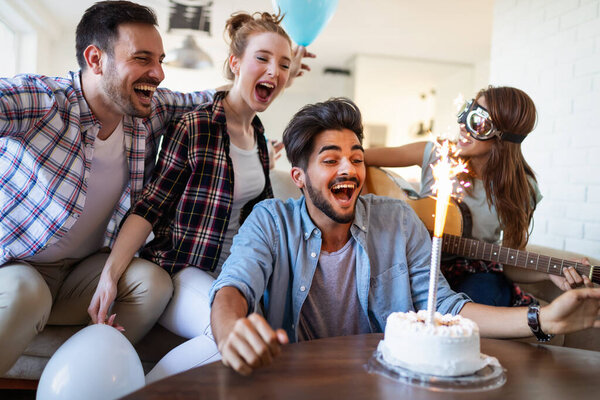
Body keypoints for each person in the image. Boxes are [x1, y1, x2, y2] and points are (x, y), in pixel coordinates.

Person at [0, 1, 310, 376]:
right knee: (25, 296)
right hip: (24, 264)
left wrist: (275, 73)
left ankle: (96, 370)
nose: (159, 73)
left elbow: (223, 101)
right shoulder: (44, 101)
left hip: (86, 267)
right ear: (95, 59)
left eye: (160, 59)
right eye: (143, 58)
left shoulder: (147, 110)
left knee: (152, 285)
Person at [208, 97, 600, 376]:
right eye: (330, 160)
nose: (349, 169)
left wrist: (543, 318)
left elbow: (444, 305)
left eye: (357, 158)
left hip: (385, 376)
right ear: (298, 178)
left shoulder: (397, 221)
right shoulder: (270, 219)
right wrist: (228, 330)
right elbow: (235, 284)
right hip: (296, 376)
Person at [92, 10, 301, 383]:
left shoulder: (259, 136)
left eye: (284, 65)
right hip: (183, 270)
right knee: (225, 336)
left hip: (233, 274)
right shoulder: (196, 124)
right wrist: (111, 275)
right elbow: (149, 207)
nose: (275, 71)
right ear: (235, 64)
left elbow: (262, 220)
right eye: (263, 59)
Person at [364, 86, 591, 307]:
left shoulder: (521, 189)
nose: (462, 126)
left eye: (477, 122)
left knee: (474, 301)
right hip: (421, 268)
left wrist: (548, 272)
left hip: (476, 275)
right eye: (466, 112)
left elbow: (510, 263)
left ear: (504, 137)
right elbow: (357, 159)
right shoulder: (436, 154)